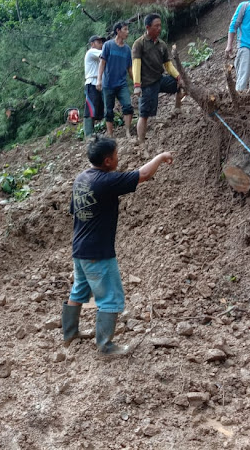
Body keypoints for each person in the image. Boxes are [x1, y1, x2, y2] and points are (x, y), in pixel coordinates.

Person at [62, 135, 173, 355]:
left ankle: (69, 334)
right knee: (110, 297)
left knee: (79, 290)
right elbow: (143, 174)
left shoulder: (81, 179)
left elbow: (75, 211)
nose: (118, 158)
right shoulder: (105, 181)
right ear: (107, 161)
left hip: (80, 249)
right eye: (116, 155)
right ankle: (105, 346)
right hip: (98, 252)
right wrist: (160, 157)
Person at [132, 13, 182, 159]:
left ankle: (177, 109)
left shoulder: (161, 45)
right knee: (144, 114)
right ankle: (141, 143)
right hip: (147, 84)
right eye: (156, 26)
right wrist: (137, 85)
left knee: (179, 85)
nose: (159, 28)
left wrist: (179, 77)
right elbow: (136, 64)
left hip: (159, 79)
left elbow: (168, 65)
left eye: (160, 25)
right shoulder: (139, 44)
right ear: (148, 27)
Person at [97, 21, 133, 139]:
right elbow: (102, 63)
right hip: (108, 84)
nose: (127, 32)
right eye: (125, 29)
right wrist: (99, 80)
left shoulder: (127, 49)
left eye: (128, 29)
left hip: (122, 83)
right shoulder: (108, 45)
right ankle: (110, 135)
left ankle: (128, 131)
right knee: (108, 111)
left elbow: (129, 68)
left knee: (127, 106)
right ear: (118, 31)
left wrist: (137, 83)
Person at [83, 35, 105, 139]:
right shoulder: (92, 52)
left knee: (98, 108)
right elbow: (105, 55)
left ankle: (92, 133)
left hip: (99, 82)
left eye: (101, 42)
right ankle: (88, 134)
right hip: (92, 82)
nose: (101, 44)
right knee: (90, 108)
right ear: (92, 44)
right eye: (98, 42)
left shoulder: (97, 55)